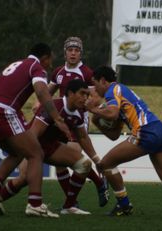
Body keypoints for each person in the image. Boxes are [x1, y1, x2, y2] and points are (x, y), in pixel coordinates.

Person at [0, 42, 71, 218]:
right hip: (3, 112)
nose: (49, 65)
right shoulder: (37, 67)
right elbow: (41, 91)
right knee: (36, 153)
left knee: (17, 152)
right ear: (45, 57)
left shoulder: (14, 64)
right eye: (50, 61)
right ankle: (35, 204)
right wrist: (57, 118)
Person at [85, 66, 162, 216]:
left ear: (103, 81)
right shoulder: (120, 94)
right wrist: (98, 122)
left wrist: (93, 110)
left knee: (106, 164)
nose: (94, 88)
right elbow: (114, 135)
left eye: (95, 83)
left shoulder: (113, 89)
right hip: (159, 130)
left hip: (146, 131)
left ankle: (124, 205)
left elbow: (112, 114)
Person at [0, 79, 97, 215]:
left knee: (83, 164)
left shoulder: (78, 113)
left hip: (51, 147)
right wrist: (29, 156)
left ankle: (68, 206)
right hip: (34, 146)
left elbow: (83, 138)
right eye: (82, 93)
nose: (85, 98)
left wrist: (97, 159)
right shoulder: (54, 106)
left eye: (87, 94)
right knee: (24, 178)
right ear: (70, 93)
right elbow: (33, 134)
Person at [33, 36, 108, 207]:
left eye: (76, 50)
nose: (73, 53)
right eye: (70, 50)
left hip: (77, 121)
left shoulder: (87, 73)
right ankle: (72, 202)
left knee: (74, 158)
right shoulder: (58, 72)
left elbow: (94, 99)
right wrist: (38, 104)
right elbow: (47, 92)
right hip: (59, 120)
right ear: (65, 52)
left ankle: (98, 184)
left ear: (81, 54)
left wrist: (90, 104)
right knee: (60, 164)